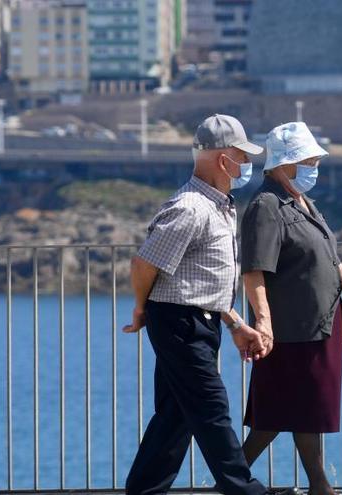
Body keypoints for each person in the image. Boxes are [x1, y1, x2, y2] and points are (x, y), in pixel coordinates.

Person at [122, 114, 297, 495]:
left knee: (176, 414)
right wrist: (141, 308)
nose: (247, 165)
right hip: (180, 322)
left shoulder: (217, 205)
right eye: (242, 155)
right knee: (211, 407)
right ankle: (244, 490)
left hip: (195, 319)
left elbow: (201, 280)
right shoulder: (192, 207)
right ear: (223, 160)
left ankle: (144, 491)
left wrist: (235, 323)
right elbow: (144, 263)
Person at [239, 122, 342, 495]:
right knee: (281, 409)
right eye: (308, 160)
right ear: (286, 163)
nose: (314, 168)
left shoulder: (301, 203)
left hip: (318, 324)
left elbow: (327, 260)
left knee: (296, 407)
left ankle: (298, 483)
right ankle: (306, 484)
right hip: (289, 327)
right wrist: (263, 321)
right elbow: (254, 269)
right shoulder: (266, 206)